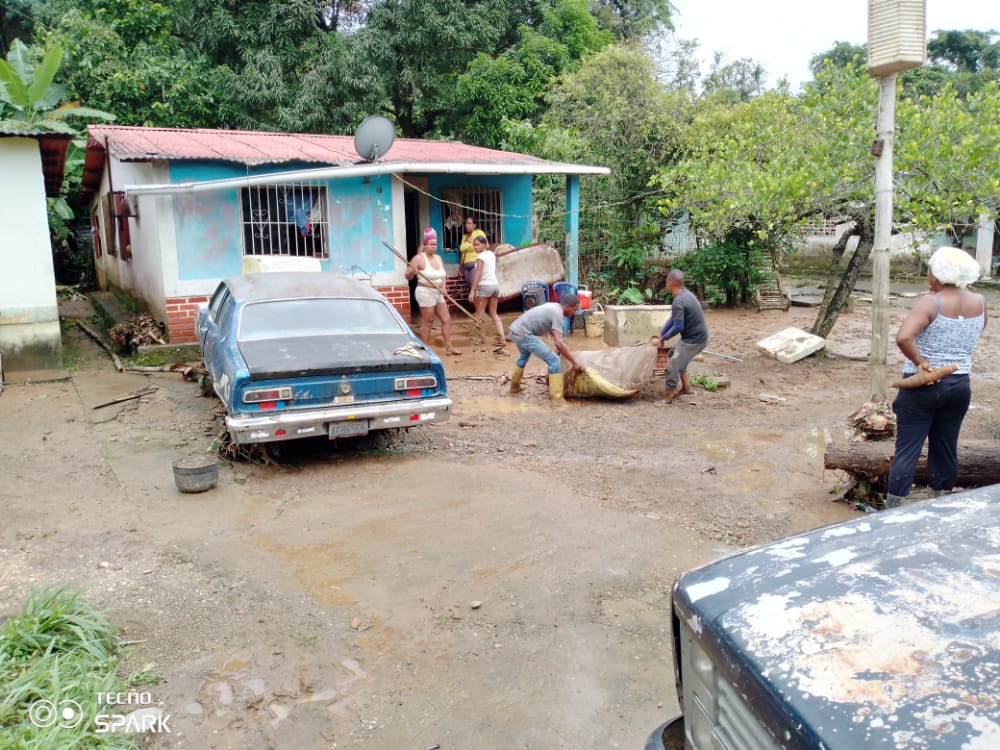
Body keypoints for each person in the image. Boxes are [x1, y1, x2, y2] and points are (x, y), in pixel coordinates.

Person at [885, 246, 986, 508]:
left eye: (930, 270)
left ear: (938, 276)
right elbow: (974, 333)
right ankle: (939, 507)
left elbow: (904, 337)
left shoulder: (931, 302)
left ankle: (891, 511)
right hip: (960, 384)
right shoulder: (980, 302)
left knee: (908, 449)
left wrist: (921, 362)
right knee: (945, 447)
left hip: (923, 387)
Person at [508, 294, 585, 404]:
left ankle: (514, 387)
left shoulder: (554, 306)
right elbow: (559, 343)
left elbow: (552, 330)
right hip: (524, 334)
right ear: (567, 306)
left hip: (515, 330)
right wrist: (575, 363)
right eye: (574, 310)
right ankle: (557, 399)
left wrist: (561, 344)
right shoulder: (558, 315)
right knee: (554, 360)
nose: (574, 313)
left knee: (524, 356)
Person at [655, 269, 709, 403]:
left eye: (666, 282)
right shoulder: (685, 295)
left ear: (670, 282)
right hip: (694, 337)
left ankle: (668, 397)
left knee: (672, 365)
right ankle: (686, 388)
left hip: (694, 341)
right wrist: (662, 334)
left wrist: (663, 338)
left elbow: (679, 326)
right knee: (674, 354)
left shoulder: (679, 301)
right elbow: (673, 319)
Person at [405, 227, 461, 355]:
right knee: (428, 322)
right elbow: (407, 276)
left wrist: (444, 287)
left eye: (435, 244)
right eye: (431, 244)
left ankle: (449, 347)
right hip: (425, 292)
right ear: (425, 245)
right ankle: (425, 350)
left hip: (438, 292)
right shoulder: (419, 258)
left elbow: (443, 276)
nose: (433, 247)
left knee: (446, 319)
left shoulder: (439, 258)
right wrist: (411, 272)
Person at [466, 235, 505, 346]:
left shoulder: (481, 257)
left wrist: (472, 291)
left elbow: (478, 274)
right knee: (493, 314)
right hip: (495, 286)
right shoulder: (491, 254)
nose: (475, 247)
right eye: (474, 245)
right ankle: (502, 339)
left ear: (484, 244)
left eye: (478, 244)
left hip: (485, 287)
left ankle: (482, 340)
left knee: (480, 314)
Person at [459, 216, 487, 289]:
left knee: (473, 285)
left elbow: (487, 246)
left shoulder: (479, 233)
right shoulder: (464, 236)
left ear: (474, 225)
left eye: (469, 223)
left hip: (475, 263)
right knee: (470, 286)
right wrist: (460, 268)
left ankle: (476, 300)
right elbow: (462, 252)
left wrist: (473, 242)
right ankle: (474, 300)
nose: (467, 225)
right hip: (466, 266)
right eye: (466, 223)